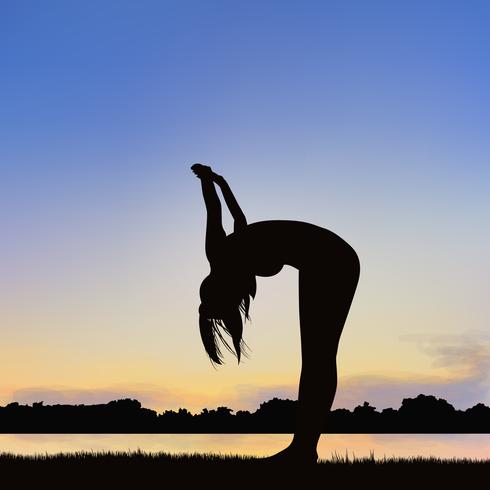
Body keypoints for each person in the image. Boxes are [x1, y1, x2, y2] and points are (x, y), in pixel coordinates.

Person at [191, 163, 360, 464]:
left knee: (318, 357)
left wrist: (208, 180)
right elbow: (237, 215)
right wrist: (219, 180)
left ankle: (303, 450)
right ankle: (304, 448)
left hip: (330, 258)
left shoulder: (219, 253)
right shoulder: (236, 258)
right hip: (326, 259)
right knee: (319, 357)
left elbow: (214, 209)